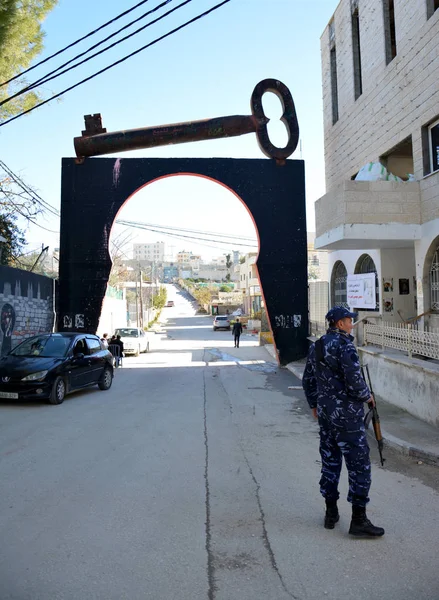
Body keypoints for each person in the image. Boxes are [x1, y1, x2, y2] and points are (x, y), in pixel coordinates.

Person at [302, 306, 384, 537]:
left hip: (327, 416)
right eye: (349, 320)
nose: (351, 324)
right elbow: (355, 381)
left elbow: (308, 379)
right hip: (348, 417)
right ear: (339, 323)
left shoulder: (317, 345)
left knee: (330, 462)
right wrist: (367, 396)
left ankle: (331, 513)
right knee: (359, 466)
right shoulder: (345, 345)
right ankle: (359, 520)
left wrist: (314, 404)